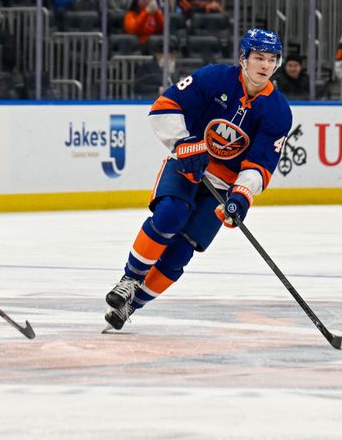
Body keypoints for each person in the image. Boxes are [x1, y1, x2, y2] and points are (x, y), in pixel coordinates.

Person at [103, 28, 292, 330]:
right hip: (188, 166)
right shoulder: (213, 78)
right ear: (243, 59)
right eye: (259, 57)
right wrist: (183, 142)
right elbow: (164, 106)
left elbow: (260, 164)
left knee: (182, 250)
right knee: (170, 215)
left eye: (272, 59)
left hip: (223, 185)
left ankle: (131, 307)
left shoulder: (279, 111)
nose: (265, 66)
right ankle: (130, 279)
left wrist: (241, 196)